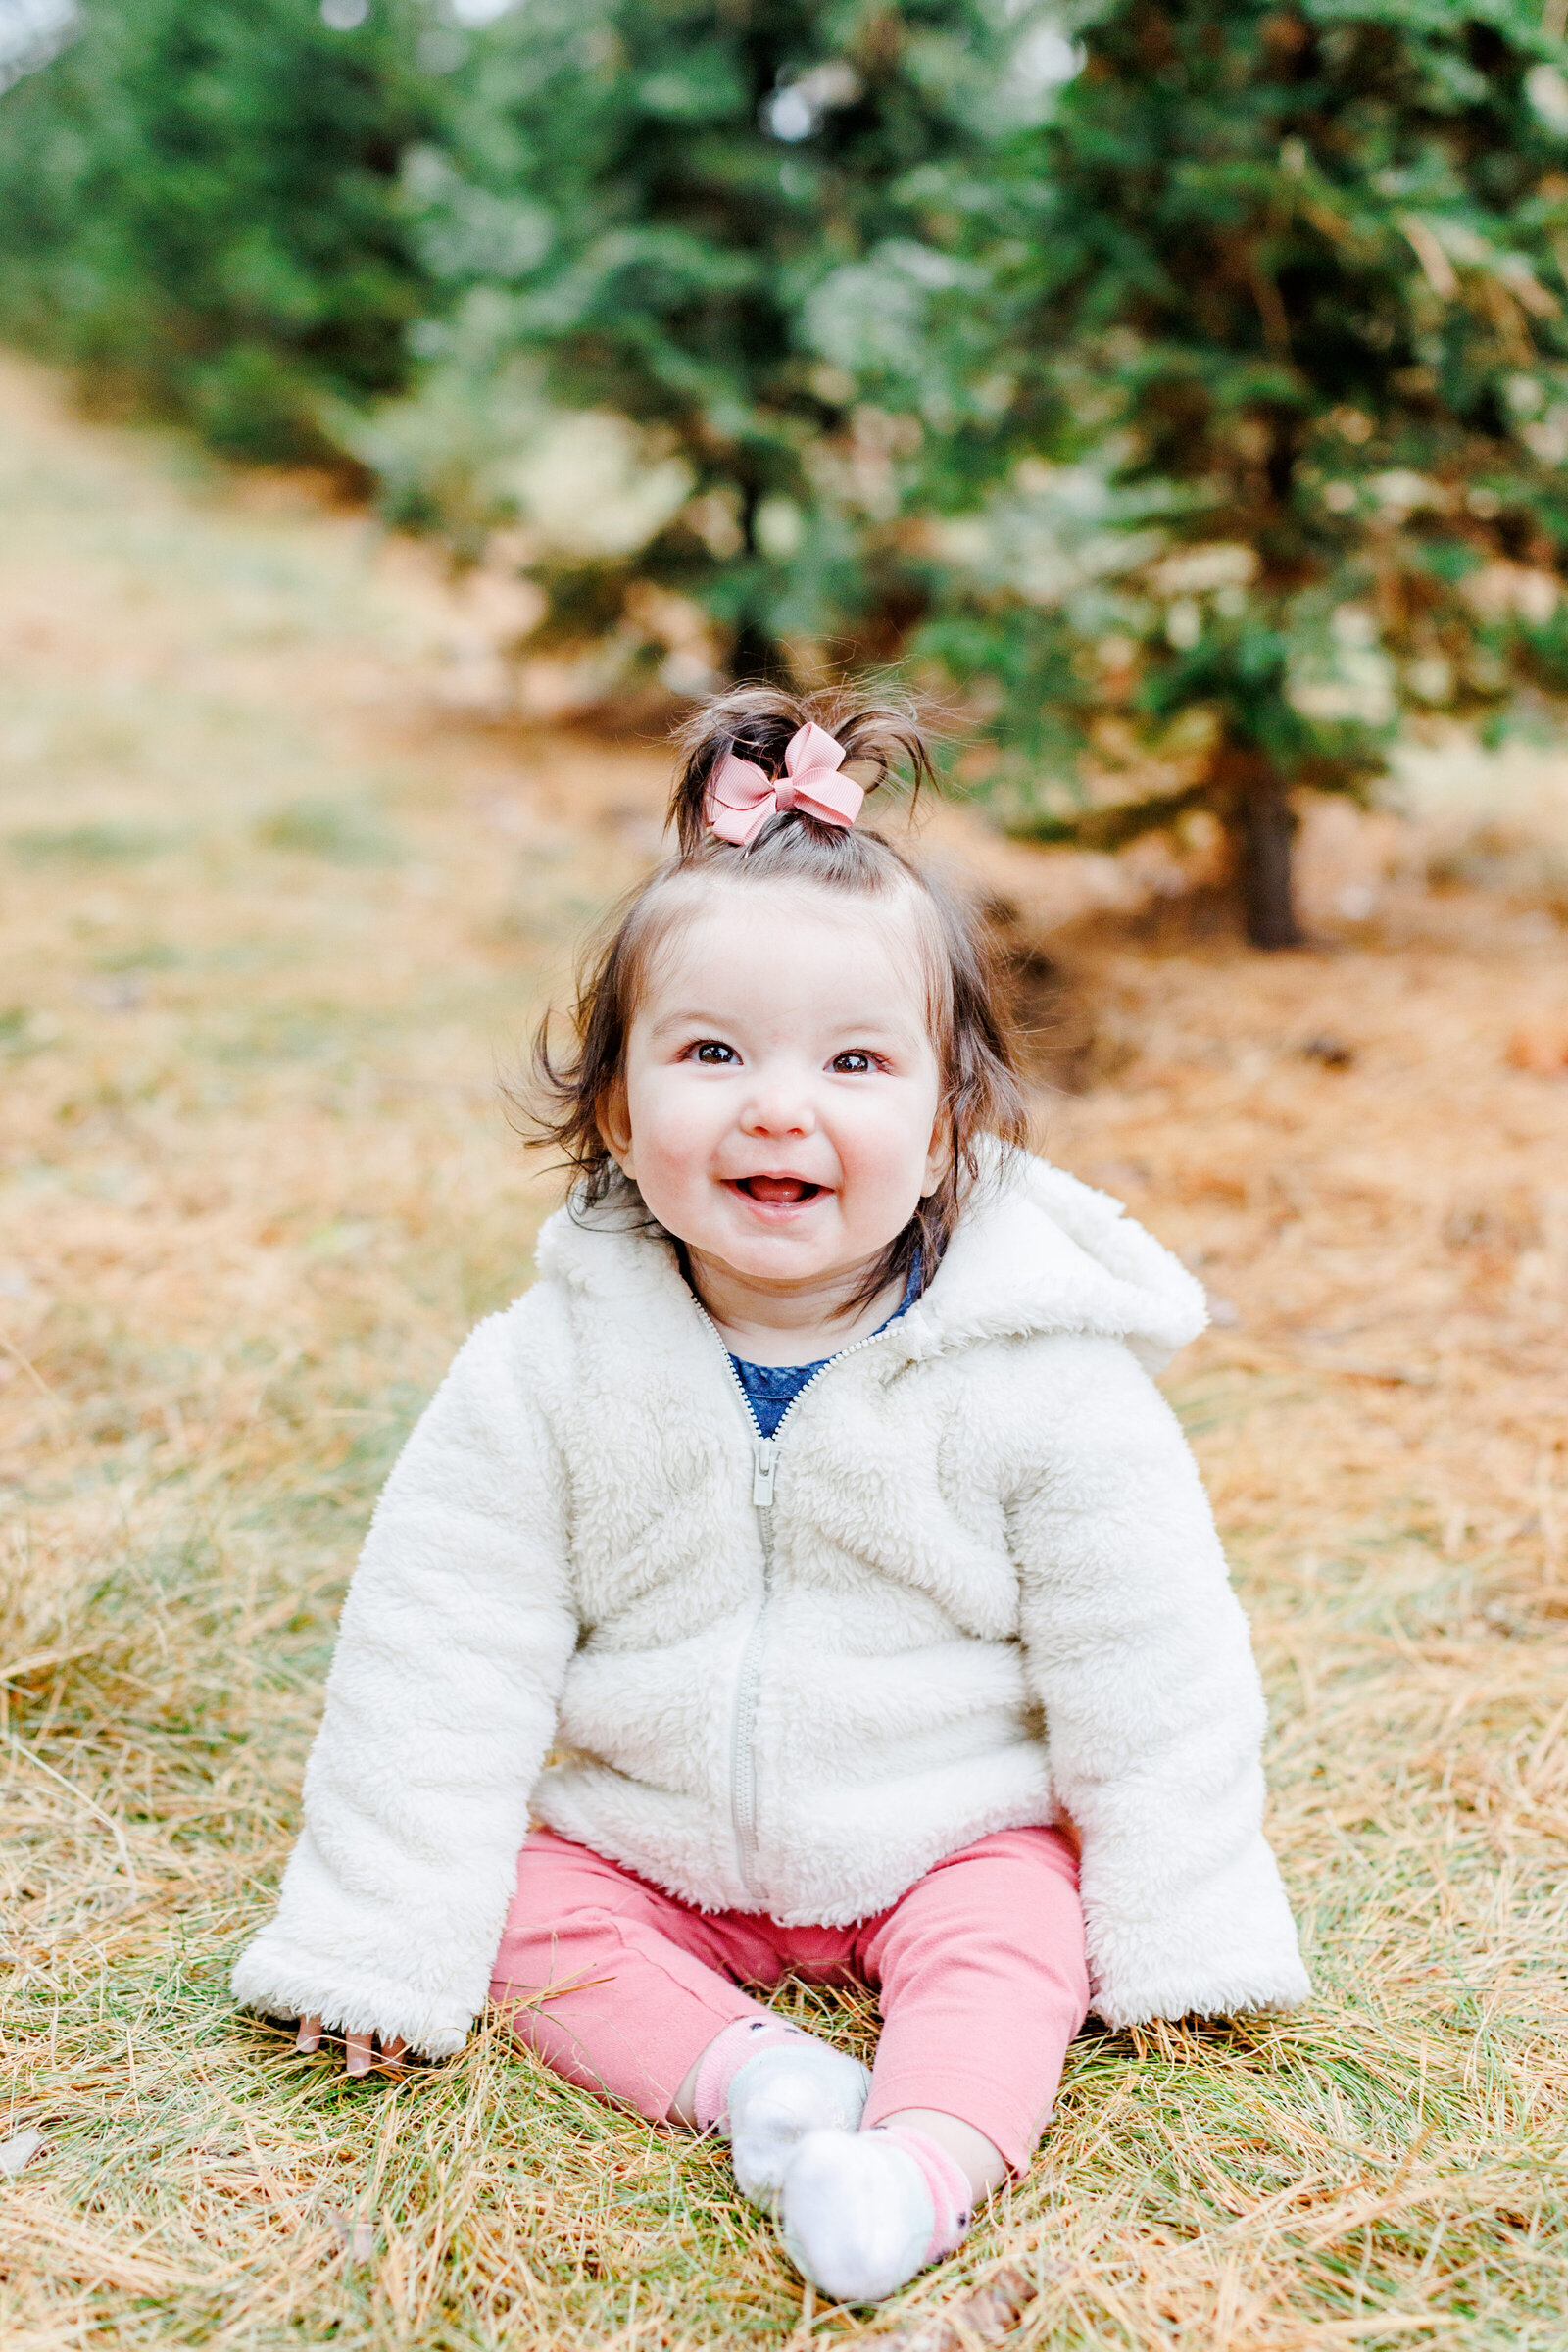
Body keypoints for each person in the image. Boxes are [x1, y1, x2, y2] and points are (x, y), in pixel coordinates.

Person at [232, 688, 1309, 2304]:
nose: (778, 1105)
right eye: (713, 1051)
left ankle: (922, 2162)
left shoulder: (1040, 1375)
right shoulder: (545, 1374)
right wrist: (379, 1942)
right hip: (645, 1837)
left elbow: (1149, 1663)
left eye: (856, 1060)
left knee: (1030, 1929)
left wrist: (1195, 1925)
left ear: (950, 1128)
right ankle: (758, 2084)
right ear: (613, 1106)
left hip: (941, 1829)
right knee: (505, 1900)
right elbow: (438, 1652)